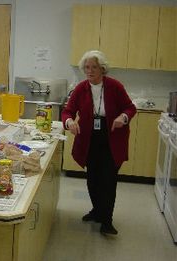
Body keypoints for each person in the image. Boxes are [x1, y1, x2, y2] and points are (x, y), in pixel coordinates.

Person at [61, 50, 136, 235]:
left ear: (102, 68)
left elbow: (130, 107)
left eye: (94, 67)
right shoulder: (80, 88)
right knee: (93, 179)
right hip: (89, 139)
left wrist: (123, 117)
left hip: (111, 137)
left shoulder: (114, 86)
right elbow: (68, 111)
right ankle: (96, 211)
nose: (90, 71)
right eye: (87, 67)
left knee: (108, 180)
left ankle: (107, 221)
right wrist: (69, 122)